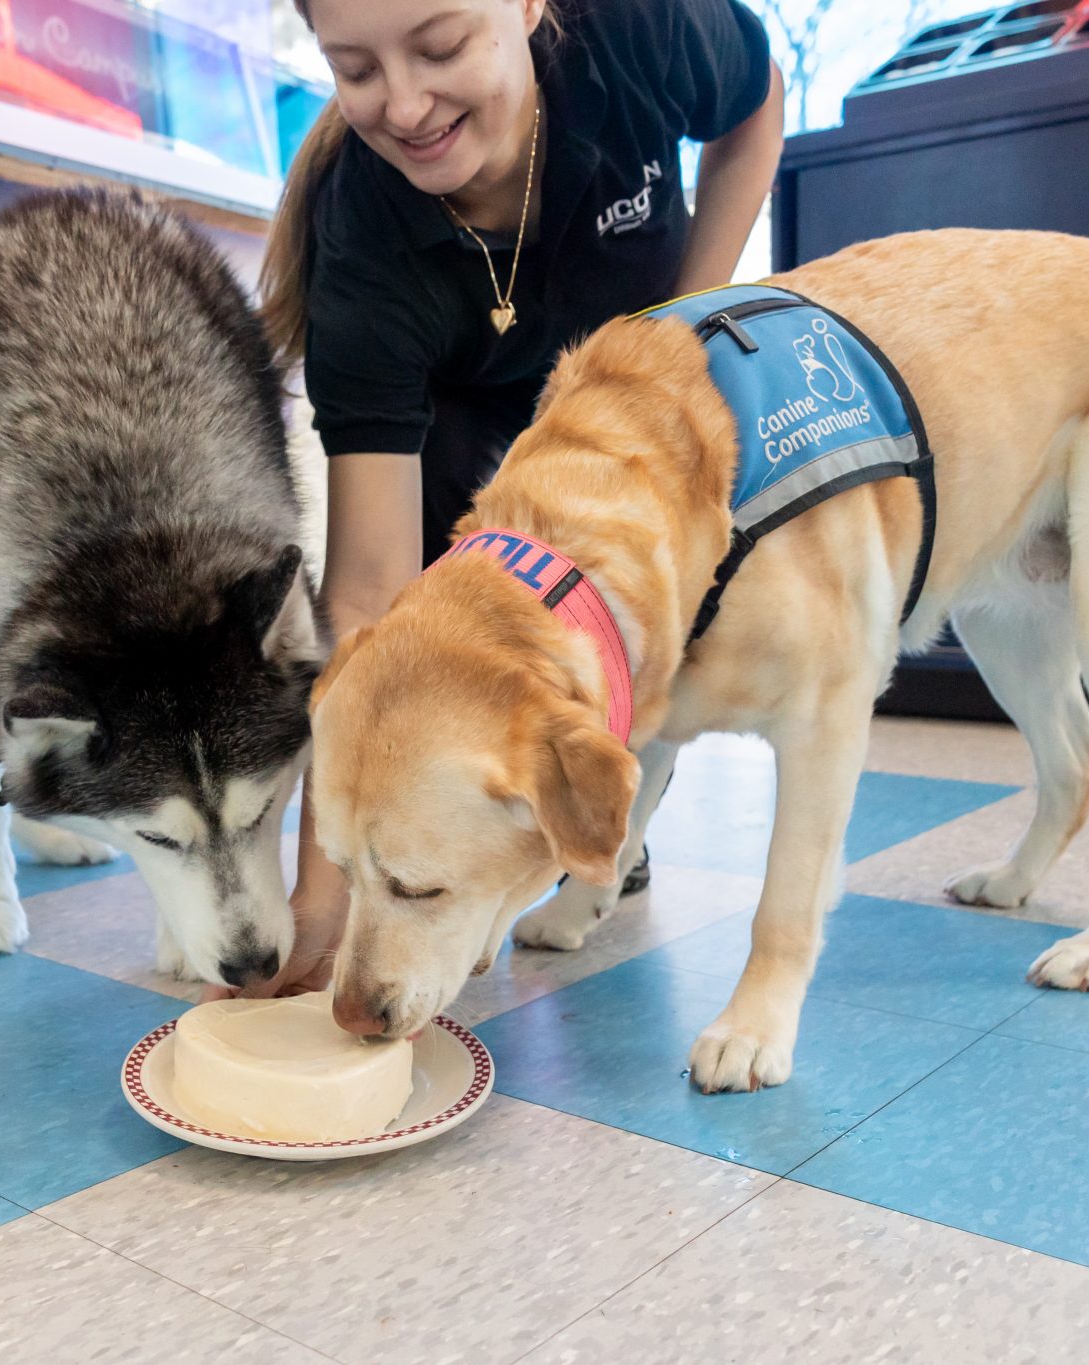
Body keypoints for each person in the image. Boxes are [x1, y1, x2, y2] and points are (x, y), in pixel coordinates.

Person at [235, 0, 784, 998]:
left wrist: (685, 325)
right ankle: (470, 835)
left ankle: (585, 811)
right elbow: (367, 596)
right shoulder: (360, 242)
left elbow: (752, 110)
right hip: (463, 415)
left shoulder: (638, 28)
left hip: (630, 379)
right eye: (353, 69)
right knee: (445, 596)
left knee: (675, 595)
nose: (402, 105)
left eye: (439, 48)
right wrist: (323, 904)